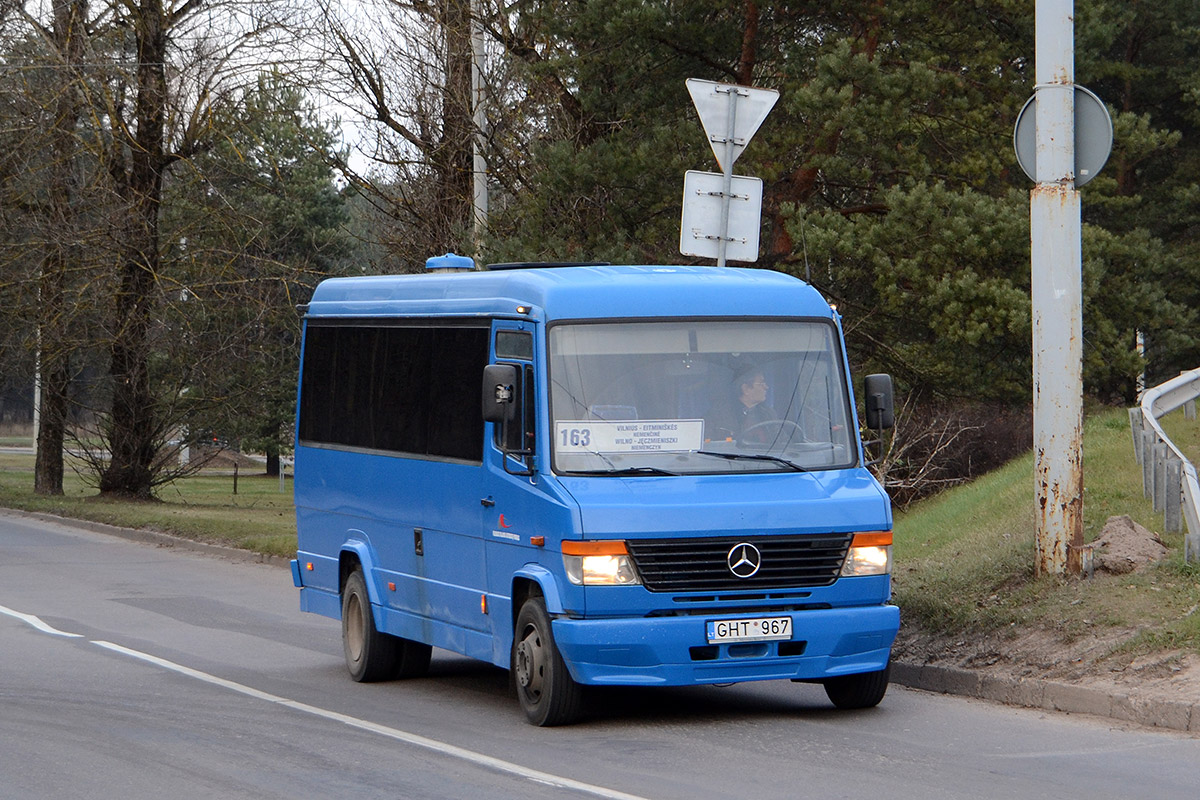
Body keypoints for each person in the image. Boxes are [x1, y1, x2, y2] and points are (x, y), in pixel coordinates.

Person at [704, 367, 778, 444]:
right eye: (761, 384)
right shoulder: (718, 415)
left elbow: (782, 442)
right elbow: (708, 444)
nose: (766, 387)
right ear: (745, 389)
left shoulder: (769, 414)